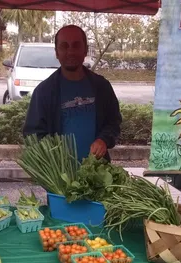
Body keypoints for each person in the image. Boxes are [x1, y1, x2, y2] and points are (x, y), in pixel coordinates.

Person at [23, 25, 122, 162]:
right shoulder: (44, 92)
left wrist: (103, 140)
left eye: (76, 45)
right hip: (59, 178)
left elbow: (114, 122)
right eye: (64, 46)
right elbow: (32, 135)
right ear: (57, 52)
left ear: (85, 50)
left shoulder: (102, 87)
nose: (70, 52)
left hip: (97, 175)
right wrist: (54, 154)